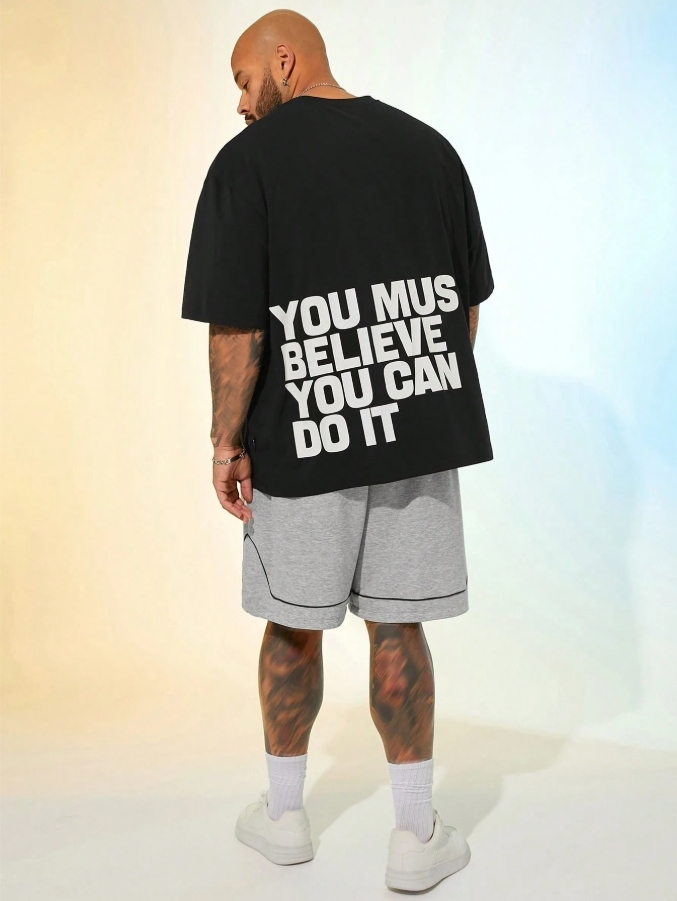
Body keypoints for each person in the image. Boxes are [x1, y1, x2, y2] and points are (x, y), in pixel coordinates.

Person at [181, 8, 494, 892]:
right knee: (398, 625)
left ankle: (284, 818)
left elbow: (236, 327)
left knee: (293, 624)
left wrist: (225, 442)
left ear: (284, 61)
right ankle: (414, 835)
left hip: (300, 439)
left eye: (244, 80)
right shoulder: (428, 150)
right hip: (412, 439)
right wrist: (405, 394)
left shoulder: (246, 164)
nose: (240, 103)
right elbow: (465, 307)